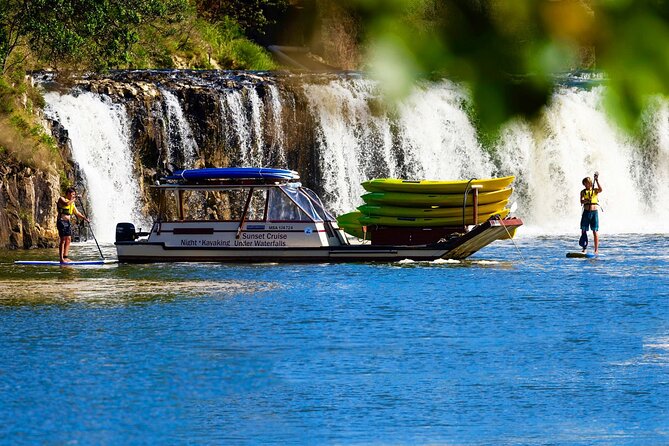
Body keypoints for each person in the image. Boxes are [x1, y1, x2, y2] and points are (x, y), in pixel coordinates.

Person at [57, 188, 89, 263]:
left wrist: (85, 218)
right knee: (63, 240)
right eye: (72, 194)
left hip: (67, 223)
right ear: (68, 193)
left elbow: (77, 213)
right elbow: (66, 204)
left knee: (68, 239)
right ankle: (61, 259)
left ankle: (65, 257)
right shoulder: (62, 199)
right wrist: (74, 200)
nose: (73, 196)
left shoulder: (72, 203)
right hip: (61, 221)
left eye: (74, 195)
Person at [579, 172, 603, 254]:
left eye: (588, 183)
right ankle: (584, 248)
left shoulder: (595, 190)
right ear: (584, 184)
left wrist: (596, 180)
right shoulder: (583, 192)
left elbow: (601, 190)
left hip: (594, 213)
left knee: (595, 231)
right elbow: (581, 201)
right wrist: (586, 200)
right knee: (583, 230)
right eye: (585, 183)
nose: (587, 184)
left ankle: (596, 249)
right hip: (586, 212)